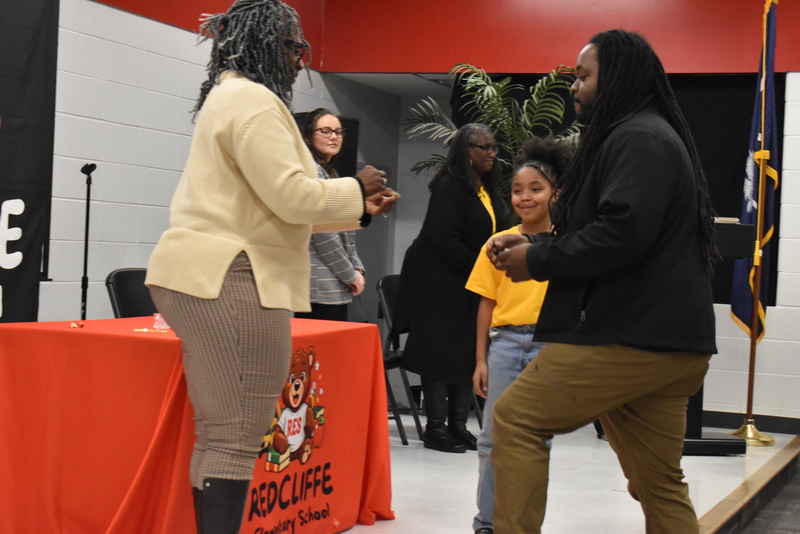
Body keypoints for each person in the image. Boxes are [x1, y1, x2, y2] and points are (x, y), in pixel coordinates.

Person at [144, 1, 396, 532]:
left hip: (214, 271)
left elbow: (270, 211)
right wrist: (354, 187)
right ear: (263, 44)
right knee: (236, 434)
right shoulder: (255, 101)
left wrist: (358, 206)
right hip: (232, 276)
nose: (301, 62)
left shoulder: (230, 96)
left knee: (223, 432)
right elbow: (290, 197)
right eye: (293, 48)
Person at [486, 30, 719, 533]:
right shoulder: (647, 133)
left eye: (584, 76)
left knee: (516, 419)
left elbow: (622, 235)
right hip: (668, 344)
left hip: (629, 338)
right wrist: (539, 247)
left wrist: (538, 262)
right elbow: (622, 232)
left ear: (615, 80)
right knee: (658, 485)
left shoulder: (637, 137)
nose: (574, 86)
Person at [466, 136, 572, 534]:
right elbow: (486, 304)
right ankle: (487, 523)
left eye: (535, 189)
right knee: (491, 441)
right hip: (505, 345)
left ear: (555, 193)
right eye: (516, 190)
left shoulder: (566, 244)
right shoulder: (497, 243)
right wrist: (480, 359)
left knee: (533, 445)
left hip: (549, 347)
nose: (524, 198)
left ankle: (524, 526)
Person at [393, 123, 510, 454]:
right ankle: (435, 428)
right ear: (465, 150)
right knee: (439, 353)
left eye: (494, 147)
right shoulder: (450, 186)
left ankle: (459, 426)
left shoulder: (486, 188)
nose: (492, 153)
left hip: (468, 281)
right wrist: (484, 266)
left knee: (463, 351)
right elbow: (444, 241)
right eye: (484, 147)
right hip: (439, 281)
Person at [294, 108, 365, 322]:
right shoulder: (311, 171)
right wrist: (350, 273)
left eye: (338, 131)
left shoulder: (328, 172)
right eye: (325, 131)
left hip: (333, 284)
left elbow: (344, 231)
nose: (334, 136)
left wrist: (357, 267)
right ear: (307, 136)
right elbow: (322, 234)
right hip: (320, 286)